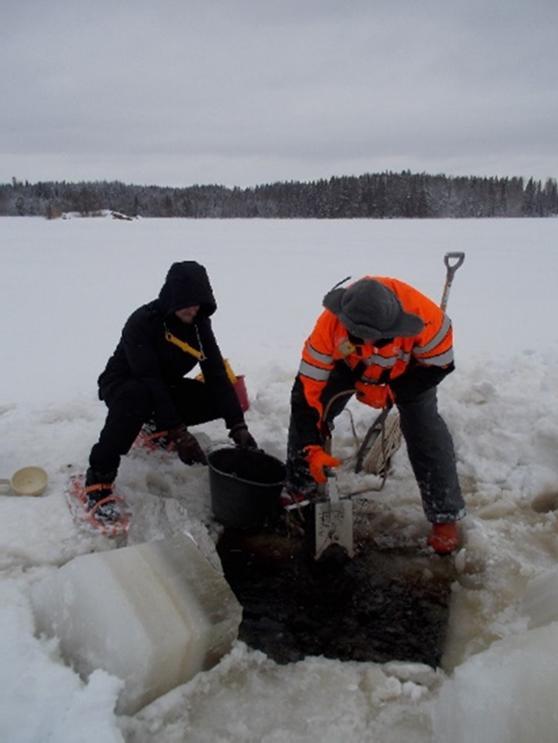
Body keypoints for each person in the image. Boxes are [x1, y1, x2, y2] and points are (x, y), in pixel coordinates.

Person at [284, 275, 465, 554]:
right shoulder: (328, 327)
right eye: (360, 336)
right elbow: (307, 394)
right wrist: (310, 446)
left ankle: (445, 516)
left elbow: (440, 367)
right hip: (348, 367)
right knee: (310, 416)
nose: (369, 342)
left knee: (424, 429)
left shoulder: (428, 321)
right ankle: (300, 486)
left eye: (377, 339)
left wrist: (393, 392)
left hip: (410, 372)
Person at [85, 260, 257, 521]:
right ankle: (98, 478)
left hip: (163, 386)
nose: (193, 308)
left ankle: (156, 425)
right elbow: (149, 379)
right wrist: (180, 433)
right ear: (173, 297)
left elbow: (216, 374)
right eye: (187, 301)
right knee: (138, 397)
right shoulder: (142, 321)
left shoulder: (199, 324)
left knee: (214, 398)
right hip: (124, 385)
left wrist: (237, 425)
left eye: (198, 302)